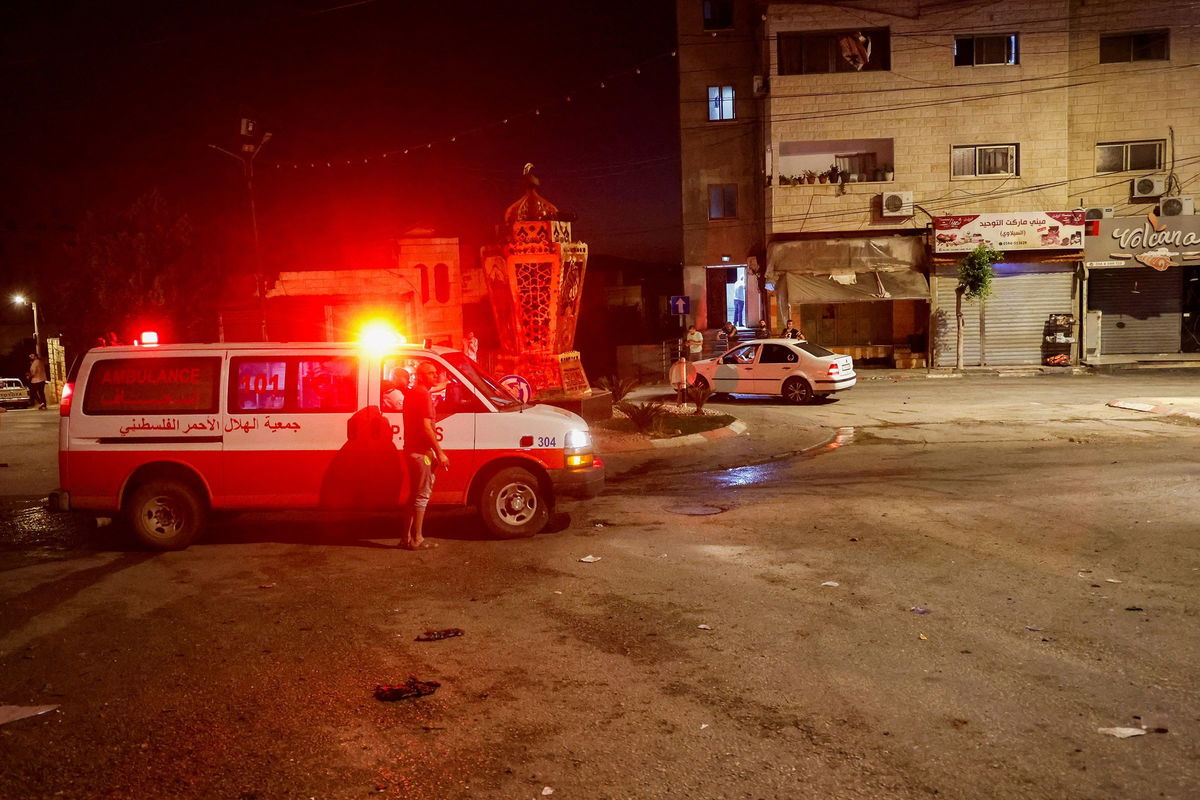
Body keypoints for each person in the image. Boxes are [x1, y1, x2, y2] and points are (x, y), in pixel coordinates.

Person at [399, 362, 449, 550]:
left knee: (413, 496)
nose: (435, 377)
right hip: (422, 453)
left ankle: (405, 537)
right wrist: (440, 452)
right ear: (420, 376)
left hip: (411, 450)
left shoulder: (412, 393)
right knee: (422, 495)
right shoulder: (424, 395)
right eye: (430, 374)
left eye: (436, 373)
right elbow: (426, 428)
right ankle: (417, 538)